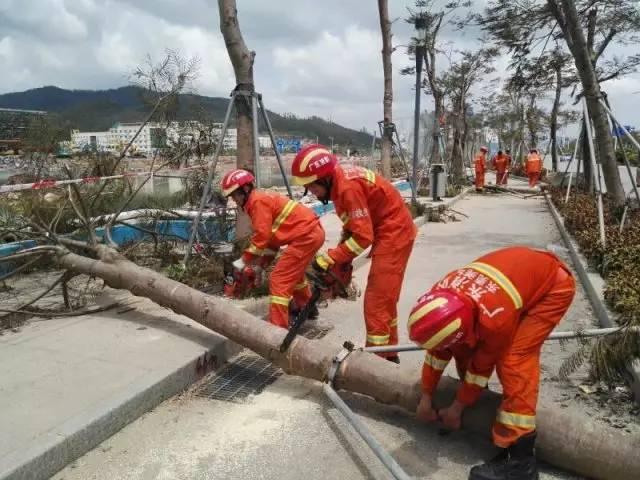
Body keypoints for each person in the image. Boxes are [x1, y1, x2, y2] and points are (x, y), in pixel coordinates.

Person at [407, 246, 575, 480]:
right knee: (463, 348)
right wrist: (426, 397)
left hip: (553, 287)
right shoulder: (441, 301)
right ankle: (479, 409)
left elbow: (480, 368)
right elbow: (439, 351)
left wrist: (456, 409)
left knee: (513, 361)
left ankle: (521, 463)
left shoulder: (495, 320)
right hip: (519, 278)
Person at [291, 144, 416, 363]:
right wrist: (340, 261)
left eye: (311, 187)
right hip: (387, 231)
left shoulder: (347, 188)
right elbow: (352, 227)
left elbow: (363, 237)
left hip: (394, 233)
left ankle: (375, 364)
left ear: (323, 178)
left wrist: (331, 257)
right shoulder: (339, 183)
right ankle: (390, 354)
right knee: (386, 301)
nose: (311, 192)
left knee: (376, 302)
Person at [221, 169, 325, 329]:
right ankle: (306, 308)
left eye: (235, 195)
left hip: (306, 237)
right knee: (294, 275)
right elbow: (271, 242)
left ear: (245, 189)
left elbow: (261, 239)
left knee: (279, 279)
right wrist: (259, 267)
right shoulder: (258, 200)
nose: (234, 200)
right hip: (309, 235)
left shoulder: (257, 202)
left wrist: (242, 262)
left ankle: (277, 330)